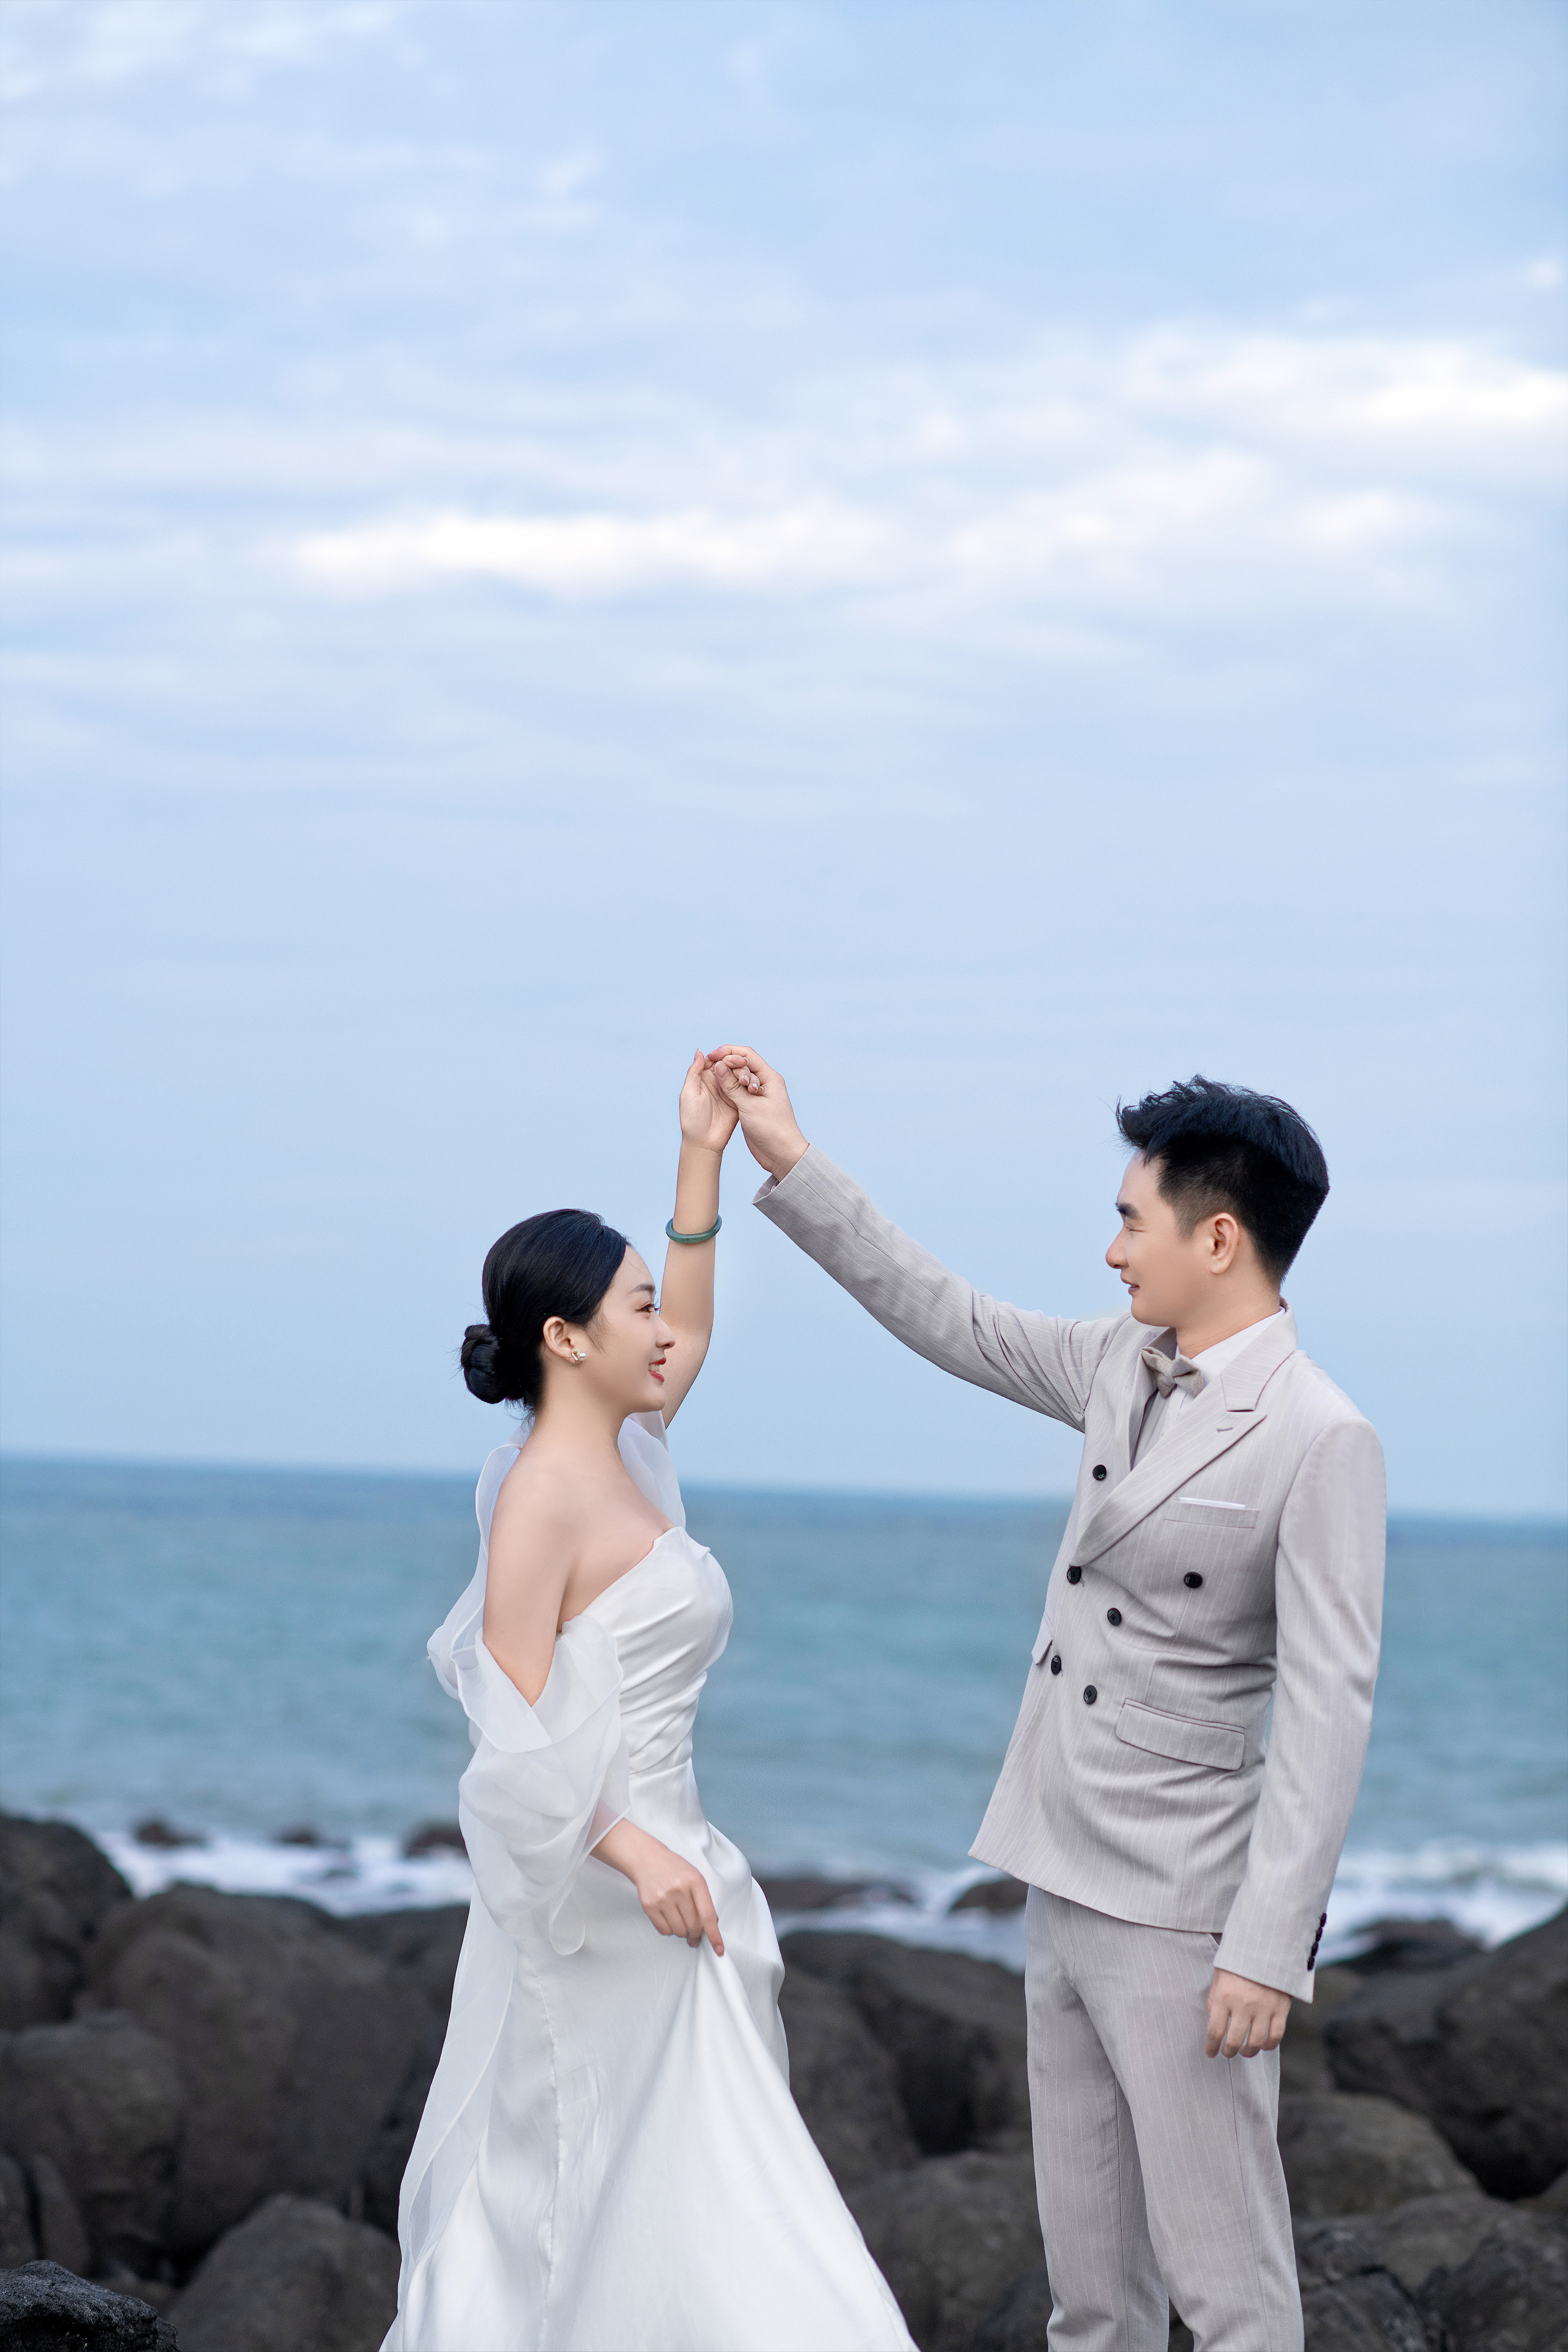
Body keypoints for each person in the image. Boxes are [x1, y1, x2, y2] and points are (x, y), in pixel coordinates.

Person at [706, 1048, 1386, 2352]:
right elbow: (948, 1315)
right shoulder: (1118, 1361)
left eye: (1134, 1220)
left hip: (1184, 1912)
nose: (1113, 1251)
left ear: (1220, 1238)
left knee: (1232, 2297)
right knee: (1092, 2297)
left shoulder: (1321, 1434)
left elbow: (1328, 1707)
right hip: (1055, 1867)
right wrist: (788, 1155)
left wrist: (1267, 1948)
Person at [381, 1052, 914, 2352]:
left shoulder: (632, 1450)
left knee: (700, 2200)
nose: (661, 1330)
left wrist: (703, 1152)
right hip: (606, 1896)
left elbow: (696, 1326)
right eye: (635, 1309)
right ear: (566, 1339)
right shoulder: (539, 1498)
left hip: (688, 1882)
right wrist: (632, 1850)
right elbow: (508, 1724)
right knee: (596, 2196)